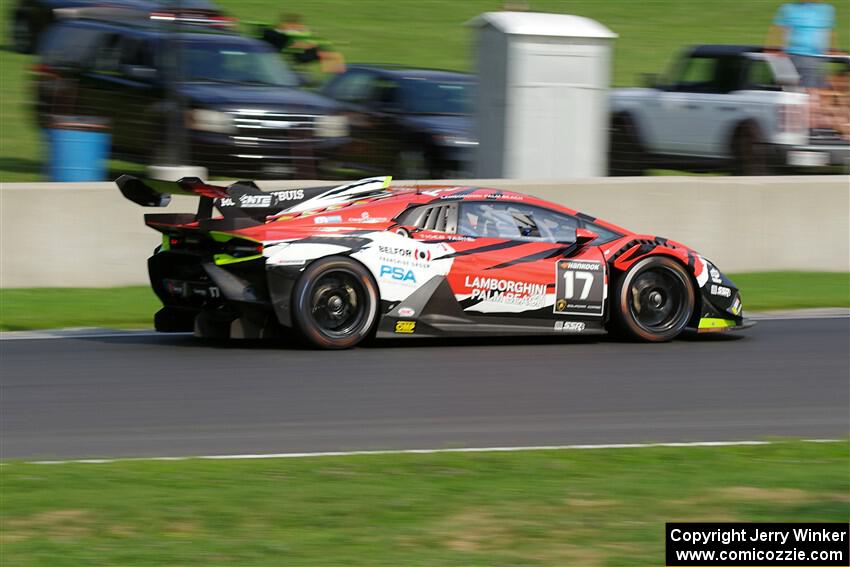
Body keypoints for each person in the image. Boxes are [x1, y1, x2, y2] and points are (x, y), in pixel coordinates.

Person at [766, 1, 837, 87]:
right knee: (795, 88)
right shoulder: (788, 8)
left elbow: (830, 32)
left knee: (812, 88)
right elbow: (777, 30)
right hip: (792, 56)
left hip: (815, 57)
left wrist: (832, 51)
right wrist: (773, 50)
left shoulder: (825, 9)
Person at [266, 13, 345, 74]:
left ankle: (333, 75)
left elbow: (301, 40)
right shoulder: (287, 32)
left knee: (332, 55)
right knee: (332, 56)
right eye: (295, 25)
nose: (299, 26)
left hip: (304, 51)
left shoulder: (278, 31)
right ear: (291, 24)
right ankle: (334, 78)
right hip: (301, 54)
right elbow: (296, 44)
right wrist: (308, 43)